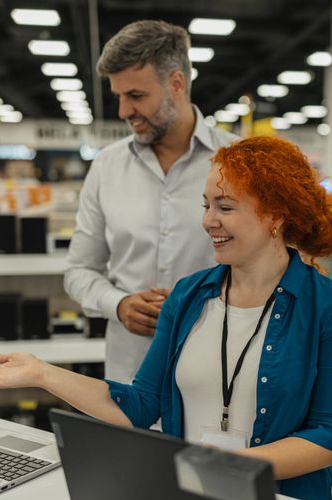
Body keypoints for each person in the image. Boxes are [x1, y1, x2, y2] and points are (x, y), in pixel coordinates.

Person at [0, 136, 332, 500]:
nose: (208, 221)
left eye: (225, 207)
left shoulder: (328, 306)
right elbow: (142, 404)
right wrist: (43, 374)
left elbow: (328, 436)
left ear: (276, 216)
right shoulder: (189, 295)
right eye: (206, 205)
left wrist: (232, 466)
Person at [64, 20, 238, 382]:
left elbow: (273, 269)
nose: (123, 111)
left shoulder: (240, 161)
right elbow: (79, 271)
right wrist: (119, 304)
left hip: (221, 371)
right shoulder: (107, 167)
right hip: (131, 372)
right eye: (119, 96)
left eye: (135, 96)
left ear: (177, 83)